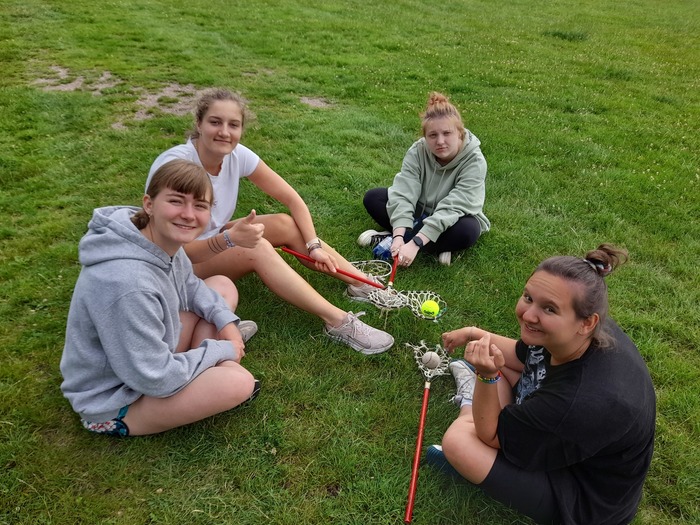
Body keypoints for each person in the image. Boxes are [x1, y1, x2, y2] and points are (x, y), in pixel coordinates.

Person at [147, 88, 394, 355]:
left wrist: (313, 246)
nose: (224, 132)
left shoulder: (236, 155)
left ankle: (362, 284)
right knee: (257, 247)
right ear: (199, 123)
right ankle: (338, 322)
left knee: (284, 223)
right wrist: (229, 240)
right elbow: (174, 249)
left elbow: (292, 199)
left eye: (233, 125)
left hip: (209, 238)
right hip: (174, 265)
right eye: (215, 122)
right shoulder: (177, 167)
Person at [426, 244, 656, 524]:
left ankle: (468, 404)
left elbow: (490, 435)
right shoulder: (574, 330)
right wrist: (475, 333)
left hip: (581, 496)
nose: (528, 315)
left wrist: (486, 376)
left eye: (548, 308)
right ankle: (486, 406)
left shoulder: (577, 403)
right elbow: (521, 356)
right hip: (568, 442)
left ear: (587, 322)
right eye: (528, 298)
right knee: (498, 362)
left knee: (459, 442)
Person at [60, 159, 259, 436]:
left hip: (145, 358)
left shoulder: (158, 240)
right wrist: (223, 349)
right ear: (149, 204)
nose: (188, 214)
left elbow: (191, 286)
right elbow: (155, 377)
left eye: (200, 205)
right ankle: (214, 367)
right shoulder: (128, 284)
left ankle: (208, 364)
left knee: (221, 286)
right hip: (117, 396)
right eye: (176, 201)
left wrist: (226, 324)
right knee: (239, 383)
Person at [359, 91, 490, 266]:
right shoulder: (418, 150)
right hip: (419, 210)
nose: (440, 141)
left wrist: (416, 243)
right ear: (425, 136)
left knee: (468, 230)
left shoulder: (475, 161)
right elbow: (404, 192)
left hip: (453, 218)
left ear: (459, 133)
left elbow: (454, 206)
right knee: (374, 198)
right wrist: (398, 235)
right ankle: (417, 243)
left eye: (447, 133)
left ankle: (395, 241)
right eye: (433, 135)